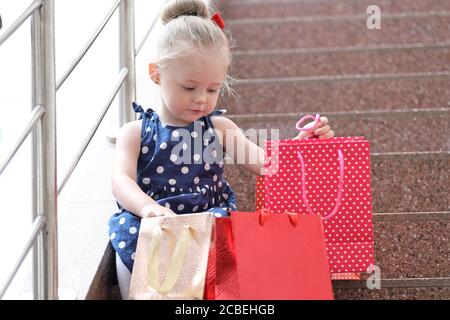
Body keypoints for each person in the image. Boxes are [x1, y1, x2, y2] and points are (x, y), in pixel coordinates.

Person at [108, 0, 335, 300]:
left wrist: (305, 143)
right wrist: (147, 207)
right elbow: (121, 180)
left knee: (227, 251)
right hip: (155, 228)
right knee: (131, 241)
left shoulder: (219, 129)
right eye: (189, 87)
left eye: (212, 89)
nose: (201, 99)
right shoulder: (135, 132)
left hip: (209, 229)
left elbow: (267, 163)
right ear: (156, 74)